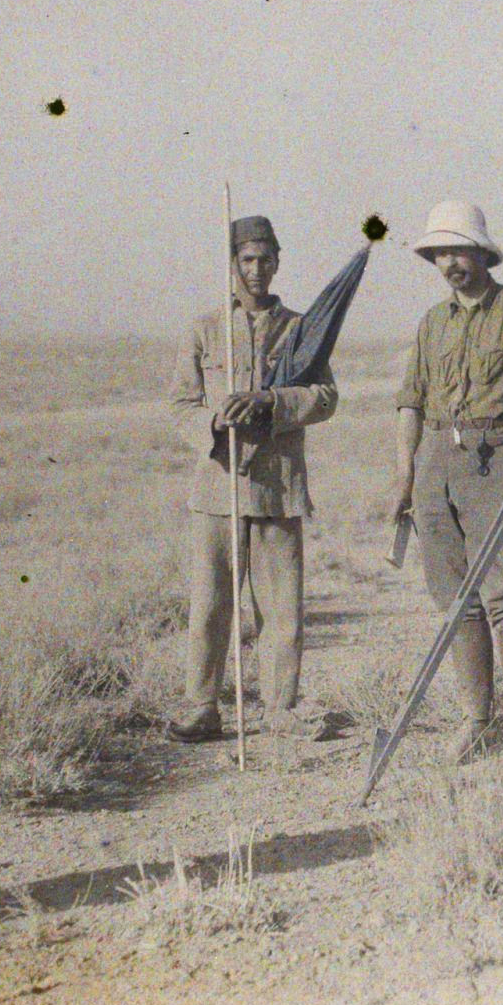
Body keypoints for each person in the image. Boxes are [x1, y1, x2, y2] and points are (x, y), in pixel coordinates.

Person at [389, 200, 503, 769]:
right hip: (435, 467)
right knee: (456, 603)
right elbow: (410, 401)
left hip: (497, 463)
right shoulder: (431, 323)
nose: (449, 262)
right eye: (439, 253)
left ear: (482, 252)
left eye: (458, 250)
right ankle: (477, 722)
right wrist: (405, 473)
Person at [167, 214, 339, 744]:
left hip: (277, 487)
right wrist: (214, 421)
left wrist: (271, 401)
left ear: (279, 262)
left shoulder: (300, 329)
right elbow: (180, 405)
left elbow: (325, 397)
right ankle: (202, 707)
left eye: (266, 259)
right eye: (247, 259)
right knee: (212, 604)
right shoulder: (203, 329)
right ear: (233, 264)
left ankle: (280, 708)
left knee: (282, 608)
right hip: (218, 490)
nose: (257, 269)